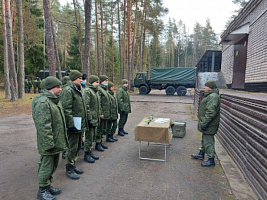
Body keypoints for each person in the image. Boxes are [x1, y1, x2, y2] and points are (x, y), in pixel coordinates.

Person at [32, 76, 67, 200]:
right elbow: (43, 126)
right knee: (46, 166)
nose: (60, 89)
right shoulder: (43, 102)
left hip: (55, 141)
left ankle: (47, 186)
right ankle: (42, 191)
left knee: (52, 166)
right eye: (57, 87)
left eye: (60, 86)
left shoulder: (53, 100)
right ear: (49, 88)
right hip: (49, 143)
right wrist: (48, 143)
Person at [60, 70, 88, 179]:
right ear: (73, 79)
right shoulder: (68, 90)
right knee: (71, 147)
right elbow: (66, 109)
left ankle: (73, 164)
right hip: (73, 125)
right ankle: (69, 168)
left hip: (79, 123)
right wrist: (70, 125)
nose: (81, 80)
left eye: (81, 78)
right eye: (79, 78)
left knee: (77, 146)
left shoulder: (78, 89)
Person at [191, 80, 220, 167]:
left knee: (208, 141)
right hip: (208, 123)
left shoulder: (213, 96)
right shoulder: (211, 95)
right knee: (205, 139)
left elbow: (210, 112)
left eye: (205, 86)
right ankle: (201, 153)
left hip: (209, 124)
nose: (204, 87)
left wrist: (204, 123)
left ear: (209, 87)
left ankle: (211, 160)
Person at [82, 75, 101, 163]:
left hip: (95, 118)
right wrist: (89, 119)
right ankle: (87, 154)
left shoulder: (95, 91)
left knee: (93, 135)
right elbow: (86, 106)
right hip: (91, 119)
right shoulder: (87, 91)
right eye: (96, 82)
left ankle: (90, 151)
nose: (98, 84)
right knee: (89, 137)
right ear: (92, 82)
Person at [96, 75, 111, 151]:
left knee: (103, 129)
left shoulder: (105, 89)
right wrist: (100, 113)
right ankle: (97, 143)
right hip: (102, 114)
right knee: (99, 129)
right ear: (101, 81)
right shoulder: (99, 89)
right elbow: (99, 103)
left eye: (107, 80)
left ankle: (101, 142)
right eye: (105, 80)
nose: (107, 82)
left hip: (106, 113)